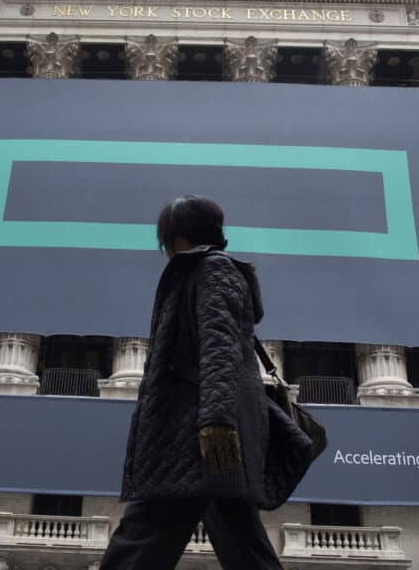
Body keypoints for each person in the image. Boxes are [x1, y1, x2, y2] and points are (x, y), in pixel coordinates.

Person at [99, 195, 282, 570]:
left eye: (164, 238)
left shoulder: (210, 270)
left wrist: (216, 422)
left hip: (194, 435)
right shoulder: (200, 271)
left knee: (141, 535)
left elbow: (220, 345)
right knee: (244, 545)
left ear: (176, 236)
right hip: (205, 434)